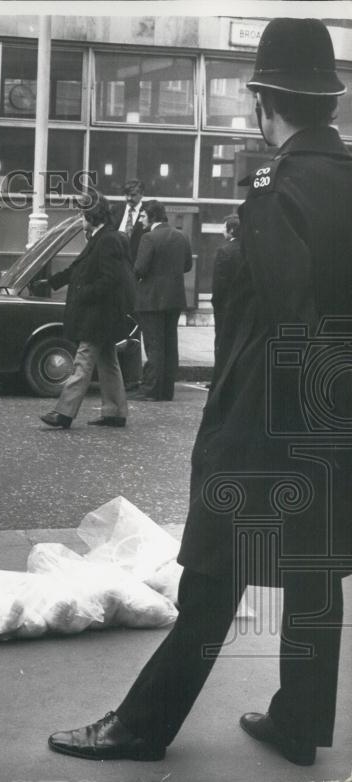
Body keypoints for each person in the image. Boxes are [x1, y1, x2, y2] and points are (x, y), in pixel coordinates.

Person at [47, 17, 351, 768]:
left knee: (213, 574)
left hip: (264, 421)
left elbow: (279, 320)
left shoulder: (275, 195)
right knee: (314, 571)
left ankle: (142, 728)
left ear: (265, 102)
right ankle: (299, 724)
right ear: (328, 103)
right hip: (336, 416)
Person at [39, 192, 136, 430]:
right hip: (104, 315)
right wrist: (52, 282)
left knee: (82, 364)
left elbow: (110, 279)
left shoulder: (107, 240)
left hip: (98, 316)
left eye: (82, 214)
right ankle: (115, 412)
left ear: (91, 215)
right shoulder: (102, 237)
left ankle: (63, 412)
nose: (80, 218)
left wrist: (83, 293)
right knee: (108, 363)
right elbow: (79, 269)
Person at [130, 199, 192, 401]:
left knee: (154, 345)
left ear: (151, 215)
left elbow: (140, 268)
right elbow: (187, 266)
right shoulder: (181, 236)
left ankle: (151, 390)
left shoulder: (148, 238)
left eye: (142, 215)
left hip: (151, 299)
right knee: (169, 343)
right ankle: (166, 390)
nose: (140, 219)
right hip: (174, 298)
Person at [210, 214, 242, 377]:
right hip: (242, 305)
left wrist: (216, 303)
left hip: (225, 306)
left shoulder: (224, 251)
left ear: (231, 230)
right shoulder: (250, 249)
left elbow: (219, 284)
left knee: (222, 342)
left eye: (224, 227)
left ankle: (220, 376)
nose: (222, 230)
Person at [112, 180, 146, 263]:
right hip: (115, 257)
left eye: (133, 195)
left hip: (135, 260)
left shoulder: (147, 211)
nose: (129, 198)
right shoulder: (116, 209)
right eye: (127, 195)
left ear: (142, 194)